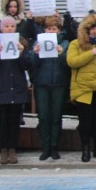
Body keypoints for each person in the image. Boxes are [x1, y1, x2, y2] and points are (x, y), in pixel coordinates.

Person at [67, 13, 96, 162]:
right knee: (85, 122)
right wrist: (90, 53)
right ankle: (85, 149)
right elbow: (72, 61)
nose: (94, 32)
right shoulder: (75, 44)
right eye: (92, 29)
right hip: (83, 90)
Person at [0, 16, 31, 164]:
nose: (9, 29)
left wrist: (22, 52)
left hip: (17, 88)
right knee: (2, 121)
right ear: (1, 28)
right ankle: (3, 149)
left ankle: (12, 149)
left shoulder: (20, 44)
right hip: (1, 88)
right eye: (7, 27)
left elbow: (26, 65)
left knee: (14, 121)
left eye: (12, 26)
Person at [30, 15, 69, 161]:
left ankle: (54, 147)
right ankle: (45, 147)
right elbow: (31, 64)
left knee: (56, 117)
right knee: (44, 116)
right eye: (48, 28)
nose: (51, 31)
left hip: (59, 84)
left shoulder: (65, 43)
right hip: (42, 84)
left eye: (54, 28)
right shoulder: (38, 42)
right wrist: (34, 53)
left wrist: (61, 54)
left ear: (59, 30)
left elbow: (67, 65)